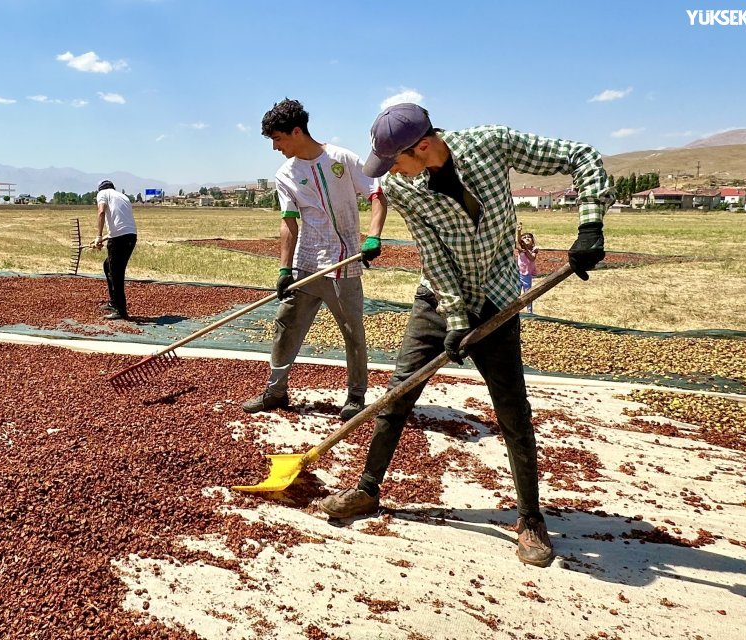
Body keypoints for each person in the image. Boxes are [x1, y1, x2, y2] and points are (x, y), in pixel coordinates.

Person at [317, 103, 610, 568]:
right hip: (439, 299)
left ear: (424, 146)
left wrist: (590, 223)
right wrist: (455, 319)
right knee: (397, 396)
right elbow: (434, 254)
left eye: (397, 159)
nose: (391, 171)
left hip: (496, 296)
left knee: (512, 410)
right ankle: (367, 489)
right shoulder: (401, 186)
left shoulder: (490, 144)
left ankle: (531, 519)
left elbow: (581, 155)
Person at [241, 98, 388, 421]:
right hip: (307, 265)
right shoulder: (286, 175)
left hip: (344, 264)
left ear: (296, 131)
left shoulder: (342, 159)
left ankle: (355, 396)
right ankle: (276, 392)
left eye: (278, 139)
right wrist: (284, 269)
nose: (275, 147)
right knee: (286, 325)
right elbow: (289, 222)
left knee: (353, 332)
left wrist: (374, 235)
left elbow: (376, 195)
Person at [93, 180, 137, 321]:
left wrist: (98, 235)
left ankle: (121, 310)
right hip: (130, 237)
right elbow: (120, 226)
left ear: (100, 189)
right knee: (108, 266)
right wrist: (103, 239)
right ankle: (114, 302)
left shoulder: (102, 194)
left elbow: (101, 212)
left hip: (119, 240)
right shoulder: (122, 196)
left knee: (116, 273)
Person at [516, 232, 539, 313]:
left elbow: (532, 258)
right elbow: (518, 241)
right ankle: (515, 311)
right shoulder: (520, 249)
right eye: (524, 237)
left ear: (532, 240)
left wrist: (526, 249)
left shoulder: (534, 249)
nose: (527, 238)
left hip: (527, 275)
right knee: (516, 294)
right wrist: (519, 232)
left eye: (529, 237)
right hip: (518, 274)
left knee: (528, 294)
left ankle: (530, 311)